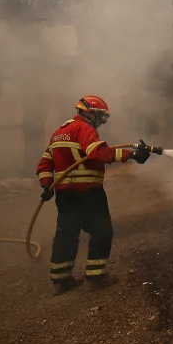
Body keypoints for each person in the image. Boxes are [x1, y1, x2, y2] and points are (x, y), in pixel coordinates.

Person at [36, 95, 151, 296]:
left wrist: (47, 185)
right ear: (89, 112)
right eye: (101, 117)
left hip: (65, 195)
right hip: (88, 193)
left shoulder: (59, 132)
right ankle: (95, 277)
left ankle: (61, 280)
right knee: (102, 231)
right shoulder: (84, 128)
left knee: (66, 234)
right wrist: (131, 155)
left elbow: (45, 162)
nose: (102, 122)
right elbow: (98, 152)